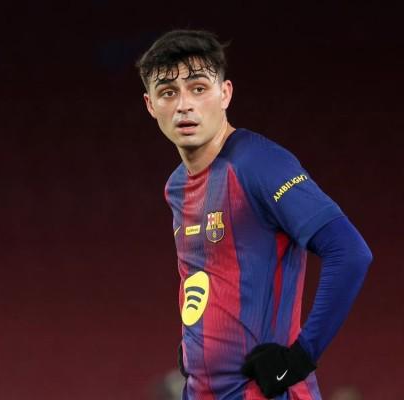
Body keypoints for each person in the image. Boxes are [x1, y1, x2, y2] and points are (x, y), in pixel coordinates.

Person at [136, 29, 372, 400]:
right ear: (150, 105)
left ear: (225, 93)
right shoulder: (177, 186)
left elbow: (350, 252)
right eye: (168, 93)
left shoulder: (260, 164)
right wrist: (198, 346)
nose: (184, 105)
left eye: (198, 88)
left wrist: (300, 358)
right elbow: (206, 277)